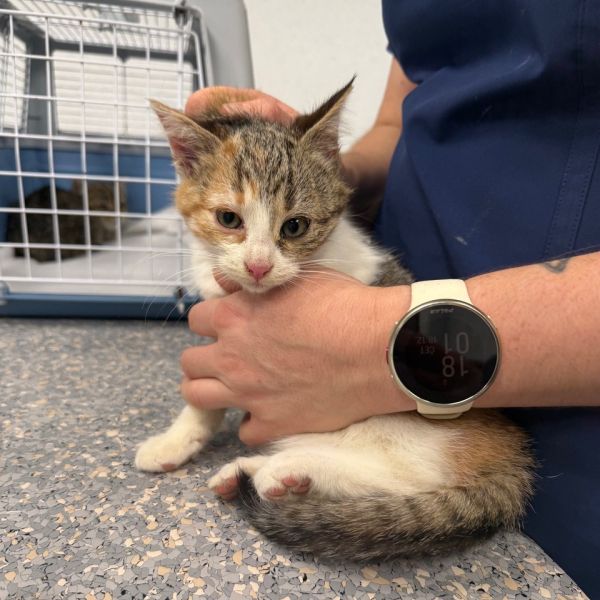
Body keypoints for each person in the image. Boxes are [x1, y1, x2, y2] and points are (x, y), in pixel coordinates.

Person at [180, 1, 600, 596]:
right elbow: (394, 127)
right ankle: (339, 467)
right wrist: (314, 171)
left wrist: (374, 342)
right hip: (413, 289)